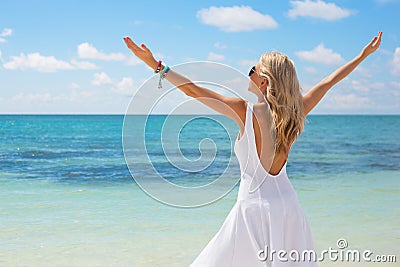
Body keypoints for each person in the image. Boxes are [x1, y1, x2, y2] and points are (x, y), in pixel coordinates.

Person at [123, 32, 382, 266]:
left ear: (264, 82)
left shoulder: (243, 110)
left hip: (253, 210)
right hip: (288, 208)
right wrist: (362, 55)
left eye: (252, 70)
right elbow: (329, 82)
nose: (248, 74)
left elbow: (192, 90)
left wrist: (155, 65)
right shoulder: (294, 112)